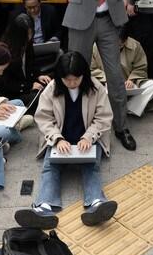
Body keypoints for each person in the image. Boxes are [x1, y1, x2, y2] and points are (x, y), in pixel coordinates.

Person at [15, 51, 117, 230]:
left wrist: (88, 136)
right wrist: (57, 138)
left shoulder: (96, 87)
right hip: (60, 137)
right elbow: (44, 118)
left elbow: (103, 118)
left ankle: (97, 203)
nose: (71, 83)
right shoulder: (52, 88)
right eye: (67, 79)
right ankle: (44, 208)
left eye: (76, 79)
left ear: (83, 75)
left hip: (89, 137)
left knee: (90, 166)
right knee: (50, 166)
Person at [61, 0, 135, 150]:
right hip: (81, 18)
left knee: (114, 75)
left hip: (108, 20)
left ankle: (121, 126)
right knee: (76, 73)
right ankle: (77, 125)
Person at [91, 23, 153, 117]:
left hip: (128, 84)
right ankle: (113, 110)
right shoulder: (96, 46)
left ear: (126, 40)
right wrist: (108, 79)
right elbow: (92, 70)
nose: (117, 47)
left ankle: (128, 108)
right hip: (107, 84)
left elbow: (141, 67)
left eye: (120, 44)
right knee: (96, 88)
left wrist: (132, 79)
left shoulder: (135, 46)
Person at [0, 12, 52, 103]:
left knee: (50, 85)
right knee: (41, 98)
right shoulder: (5, 51)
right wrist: (29, 86)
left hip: (27, 83)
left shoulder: (26, 43)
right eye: (26, 34)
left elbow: (31, 64)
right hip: (13, 92)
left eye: (31, 33)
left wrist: (38, 75)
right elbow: (5, 83)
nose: (30, 37)